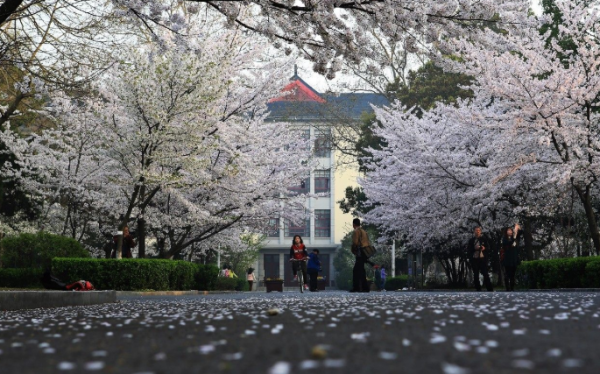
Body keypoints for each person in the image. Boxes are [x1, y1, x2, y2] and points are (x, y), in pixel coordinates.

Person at [466, 226, 494, 292]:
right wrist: (474, 249)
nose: (477, 232)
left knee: (485, 274)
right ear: (474, 231)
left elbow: (488, 248)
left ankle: (489, 288)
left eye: (478, 230)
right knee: (476, 274)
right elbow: (469, 250)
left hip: (483, 259)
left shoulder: (484, 239)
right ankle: (478, 288)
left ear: (480, 231)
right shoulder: (471, 240)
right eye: (476, 230)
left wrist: (484, 248)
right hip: (475, 259)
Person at [350, 218, 370, 292]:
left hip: (360, 252)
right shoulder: (364, 231)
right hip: (365, 251)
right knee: (361, 270)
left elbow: (355, 242)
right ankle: (365, 288)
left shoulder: (356, 231)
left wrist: (353, 249)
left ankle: (356, 287)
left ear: (354, 224)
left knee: (356, 271)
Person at [501, 224, 521, 292]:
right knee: (507, 273)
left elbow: (520, 233)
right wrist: (514, 237)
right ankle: (507, 287)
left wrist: (517, 228)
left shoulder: (514, 237)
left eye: (511, 230)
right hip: (508, 258)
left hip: (514, 257)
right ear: (506, 232)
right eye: (508, 230)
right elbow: (509, 243)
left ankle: (512, 287)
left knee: (513, 274)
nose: (510, 231)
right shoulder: (505, 239)